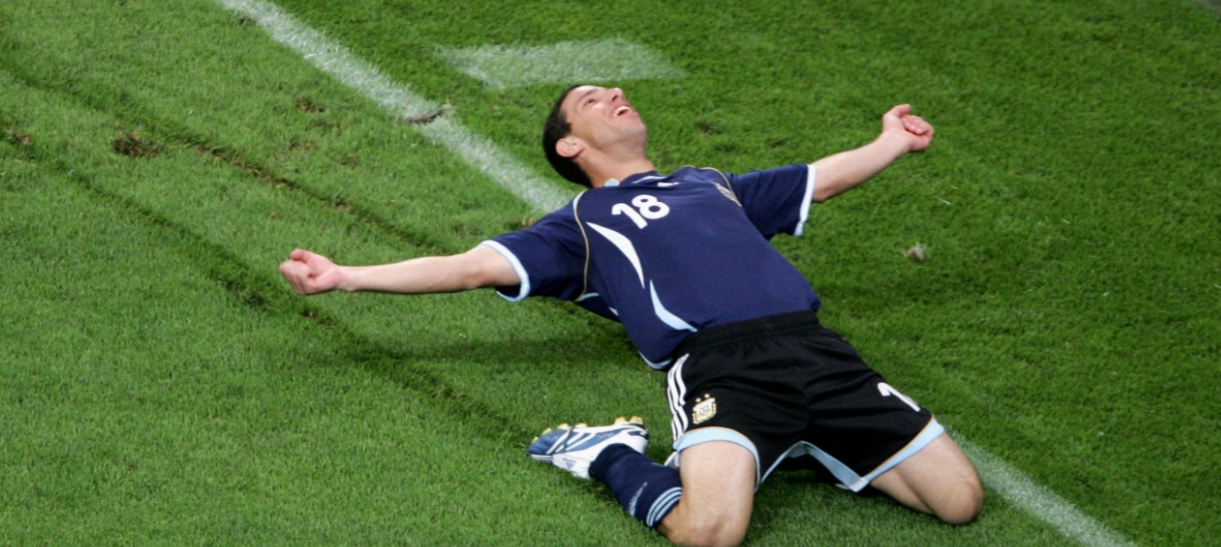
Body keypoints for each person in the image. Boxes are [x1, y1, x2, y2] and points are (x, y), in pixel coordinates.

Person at [280, 85, 983, 547]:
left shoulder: (711, 185)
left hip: (820, 352)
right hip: (721, 369)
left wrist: (892, 140)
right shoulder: (579, 223)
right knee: (708, 533)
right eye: (591, 100)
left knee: (958, 502)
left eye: (613, 91)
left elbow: (818, 181)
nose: (615, 95)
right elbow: (466, 267)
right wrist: (347, 277)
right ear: (570, 146)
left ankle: (798, 444)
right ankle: (607, 454)